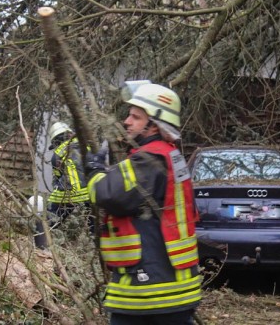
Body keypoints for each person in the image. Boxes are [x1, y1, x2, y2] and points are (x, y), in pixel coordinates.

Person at [84, 81, 202, 324]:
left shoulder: (150, 159)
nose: (127, 121)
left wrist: (94, 171)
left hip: (149, 288)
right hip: (171, 281)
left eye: (136, 117)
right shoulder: (168, 155)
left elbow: (108, 195)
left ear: (154, 125)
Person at [34, 121, 91, 249]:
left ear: (56, 140)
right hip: (90, 193)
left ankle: (40, 245)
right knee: (95, 224)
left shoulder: (58, 154)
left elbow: (58, 177)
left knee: (49, 218)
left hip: (69, 193)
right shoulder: (86, 146)